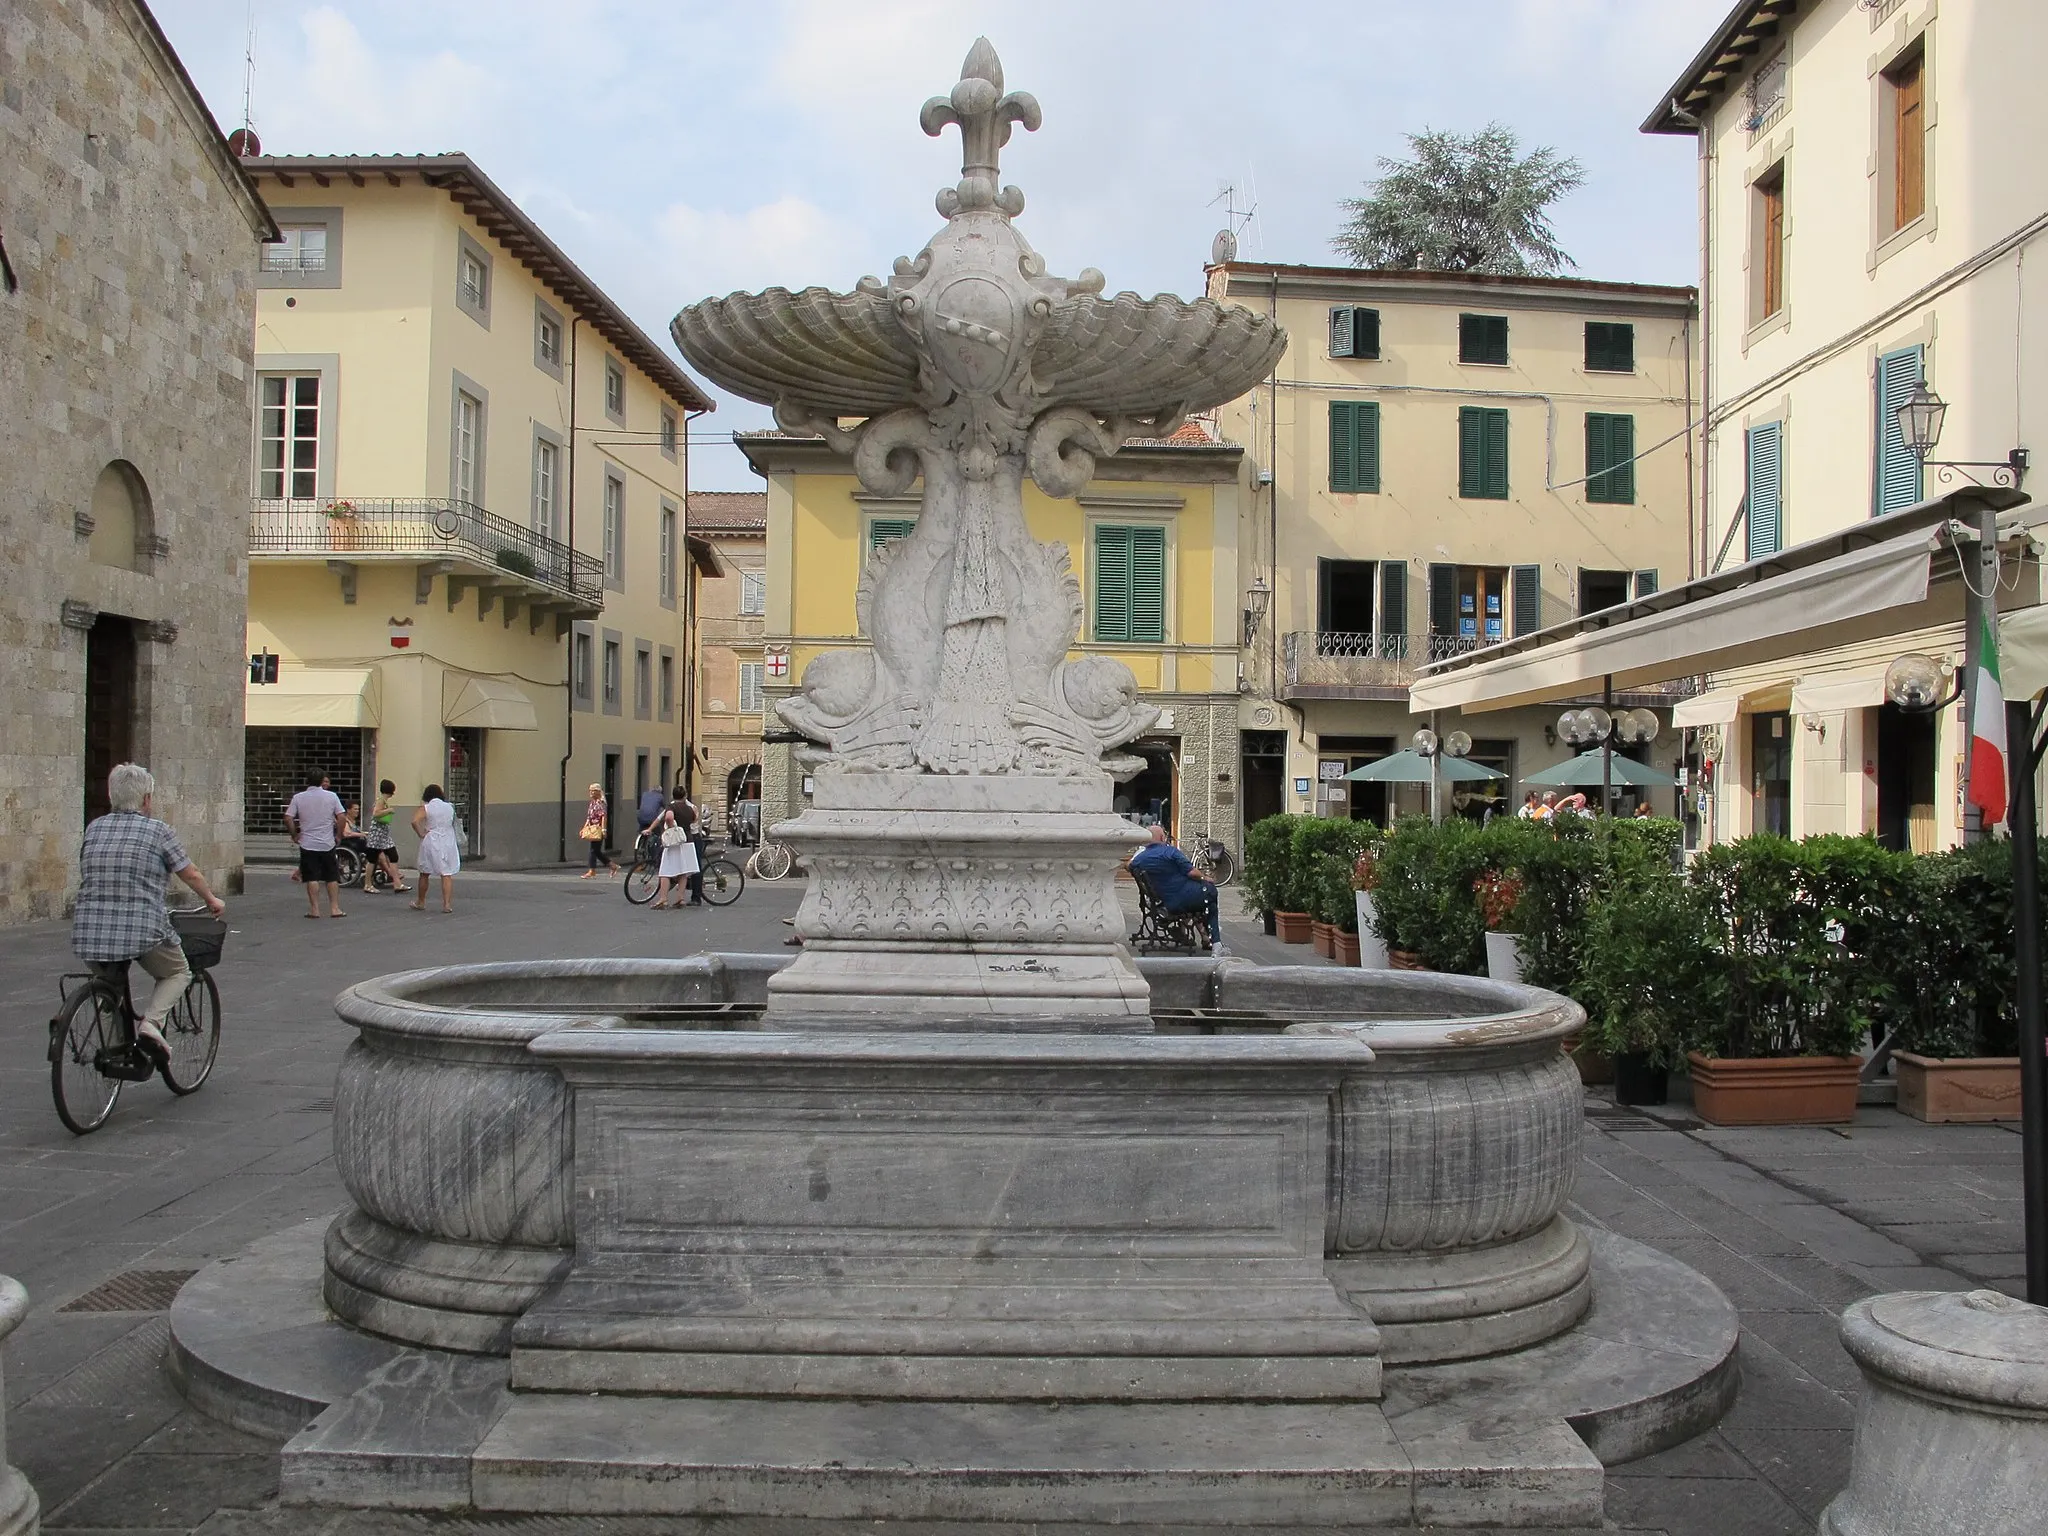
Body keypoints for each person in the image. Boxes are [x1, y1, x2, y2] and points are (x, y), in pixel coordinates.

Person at [73, 764, 226, 1073]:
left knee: (110, 983)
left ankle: (113, 1041)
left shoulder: (94, 828)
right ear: (146, 799)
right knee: (178, 972)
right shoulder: (158, 831)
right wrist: (211, 899)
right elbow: (189, 873)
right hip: (142, 930)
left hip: (88, 930)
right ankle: (151, 1025)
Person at [1128, 824, 1222, 950]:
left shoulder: (1141, 858)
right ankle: (1214, 941)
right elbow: (1192, 872)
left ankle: (1211, 939)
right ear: (1162, 838)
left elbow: (1129, 865)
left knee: (1208, 902)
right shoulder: (1171, 852)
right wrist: (1205, 878)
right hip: (1183, 899)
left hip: (1165, 902)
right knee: (1210, 892)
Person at [285, 769, 347, 918]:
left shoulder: (299, 798)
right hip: (327, 842)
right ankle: (335, 908)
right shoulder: (331, 796)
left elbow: (288, 818)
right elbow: (342, 816)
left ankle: (315, 909)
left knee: (311, 877)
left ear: (307, 780)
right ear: (322, 781)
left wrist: (295, 834)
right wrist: (338, 835)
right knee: (332, 876)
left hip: (307, 842)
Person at [409, 785, 461, 912]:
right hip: (448, 839)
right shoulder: (449, 807)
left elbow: (414, 821)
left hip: (431, 838)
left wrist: (421, 833)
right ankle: (447, 904)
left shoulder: (426, 808)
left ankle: (421, 901)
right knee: (446, 873)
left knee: (424, 872)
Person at [650, 789, 701, 910]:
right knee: (683, 871)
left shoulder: (671, 806)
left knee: (666, 871)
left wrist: (672, 826)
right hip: (688, 840)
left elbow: (668, 817)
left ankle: (663, 899)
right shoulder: (690, 808)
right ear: (685, 795)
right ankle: (680, 898)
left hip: (674, 842)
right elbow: (694, 819)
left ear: (673, 795)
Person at [362, 780, 410, 894]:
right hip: (377, 836)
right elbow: (376, 813)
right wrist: (389, 810)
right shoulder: (381, 801)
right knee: (372, 860)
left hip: (384, 836)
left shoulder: (383, 801)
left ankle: (397, 883)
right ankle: (368, 884)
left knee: (393, 856)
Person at [579, 784, 617, 879]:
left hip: (598, 828)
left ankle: (592, 870)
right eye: (590, 790)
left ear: (598, 792)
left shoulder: (601, 802)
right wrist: (584, 827)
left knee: (593, 850)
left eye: (593, 791)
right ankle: (612, 865)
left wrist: (604, 830)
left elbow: (603, 816)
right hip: (592, 828)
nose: (591, 793)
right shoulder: (593, 802)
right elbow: (589, 817)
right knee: (596, 851)